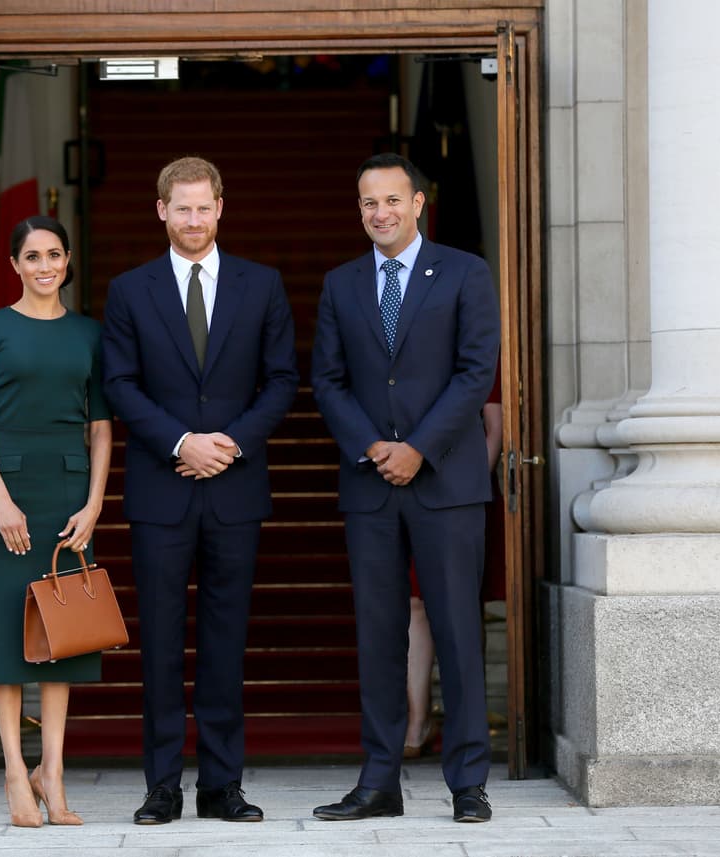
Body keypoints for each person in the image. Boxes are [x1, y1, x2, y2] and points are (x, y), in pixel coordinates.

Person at [101, 156, 298, 825]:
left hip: (236, 488)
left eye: (202, 207)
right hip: (162, 489)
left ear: (221, 206)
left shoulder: (262, 284)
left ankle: (222, 785)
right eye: (180, 208)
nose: (192, 219)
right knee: (158, 644)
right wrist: (181, 441)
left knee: (224, 642)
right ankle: (161, 787)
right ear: (161, 210)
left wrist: (229, 442)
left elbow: (281, 380)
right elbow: (120, 383)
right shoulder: (130, 291)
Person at [310, 153, 500, 823]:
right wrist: (372, 446)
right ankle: (379, 780)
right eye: (368, 203)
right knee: (379, 633)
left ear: (418, 203)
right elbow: (327, 381)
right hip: (370, 484)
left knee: (456, 630)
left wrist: (418, 447)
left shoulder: (465, 273)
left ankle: (468, 781)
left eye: (392, 200)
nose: (379, 213)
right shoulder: (340, 284)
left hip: (446, 481)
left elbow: (476, 371)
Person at [0, 216, 112, 828]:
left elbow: (101, 425)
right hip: (8, 489)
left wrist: (96, 502)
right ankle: (15, 773)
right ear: (16, 265)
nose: (44, 265)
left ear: (68, 260)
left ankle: (53, 770)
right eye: (31, 256)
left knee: (62, 633)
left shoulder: (89, 334)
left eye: (54, 254)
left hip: (69, 492)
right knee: (5, 635)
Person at [403, 377, 503, 759]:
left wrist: (473, 484)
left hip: (465, 496)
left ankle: (466, 722)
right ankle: (418, 719)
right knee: (415, 603)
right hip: (409, 485)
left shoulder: (475, 343)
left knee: (462, 605)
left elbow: (494, 427)